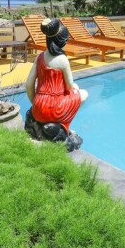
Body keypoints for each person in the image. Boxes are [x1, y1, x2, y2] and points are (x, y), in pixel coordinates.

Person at [24, 18, 87, 150]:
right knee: (83, 93)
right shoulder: (62, 60)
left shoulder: (40, 57)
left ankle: (44, 128)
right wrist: (75, 88)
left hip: (38, 107)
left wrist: (35, 102)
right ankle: (63, 126)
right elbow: (69, 86)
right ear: (61, 41)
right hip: (55, 108)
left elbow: (29, 84)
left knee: (74, 91)